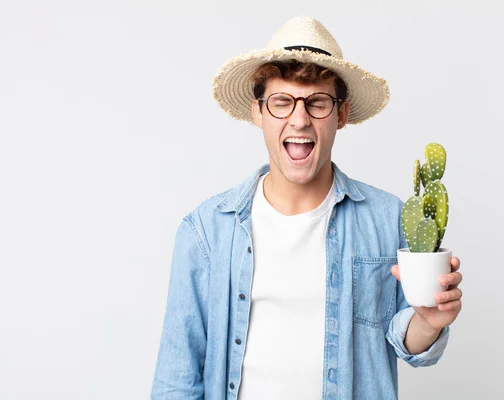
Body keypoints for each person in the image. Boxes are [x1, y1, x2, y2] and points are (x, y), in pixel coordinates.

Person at [151, 15, 463, 400]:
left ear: (341, 115)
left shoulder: (387, 219)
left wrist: (429, 323)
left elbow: (410, 344)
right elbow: (175, 382)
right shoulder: (206, 231)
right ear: (258, 112)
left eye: (317, 103)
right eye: (282, 102)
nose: (299, 120)